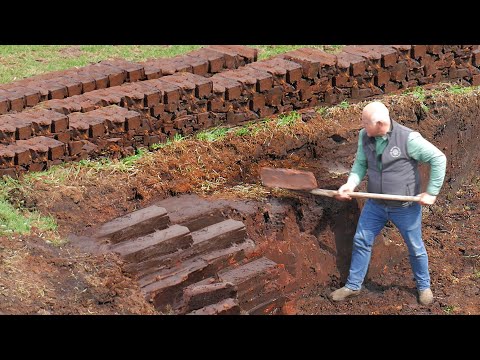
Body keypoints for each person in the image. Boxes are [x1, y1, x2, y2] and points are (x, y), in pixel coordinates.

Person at [330, 101, 447, 305]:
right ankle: (353, 286)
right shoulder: (364, 136)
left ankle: (423, 286)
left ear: (380, 123)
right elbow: (360, 164)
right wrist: (350, 184)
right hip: (375, 203)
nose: (362, 126)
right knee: (361, 240)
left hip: (405, 208)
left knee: (415, 247)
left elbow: (438, 158)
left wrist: (432, 193)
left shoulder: (409, 139)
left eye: (365, 123)